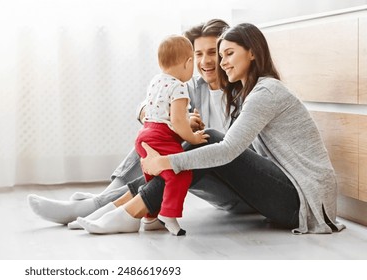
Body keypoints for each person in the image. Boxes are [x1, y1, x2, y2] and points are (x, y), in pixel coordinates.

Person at [82, 22, 346, 235]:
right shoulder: (251, 93)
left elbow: (229, 150)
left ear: (252, 52)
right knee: (200, 143)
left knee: (211, 140)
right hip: (290, 196)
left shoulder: (267, 92)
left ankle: (130, 210)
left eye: (229, 54)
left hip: (303, 202)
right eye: (222, 56)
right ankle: (126, 207)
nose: (222, 63)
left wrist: (168, 161)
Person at [27, 19, 255, 230]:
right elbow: (143, 106)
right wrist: (158, 117)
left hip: (235, 188)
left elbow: (238, 151)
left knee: (178, 142)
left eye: (213, 53)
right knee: (155, 134)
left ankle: (97, 205)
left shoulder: (243, 90)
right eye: (198, 54)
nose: (205, 61)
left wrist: (188, 131)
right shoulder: (192, 86)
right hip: (199, 172)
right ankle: (103, 200)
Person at [131, 35, 209, 236]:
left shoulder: (156, 81)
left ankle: (150, 218)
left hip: (145, 134)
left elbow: (160, 113)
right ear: (189, 62)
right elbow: (177, 121)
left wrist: (186, 118)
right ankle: (168, 214)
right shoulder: (179, 86)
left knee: (156, 178)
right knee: (181, 173)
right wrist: (193, 138)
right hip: (161, 137)